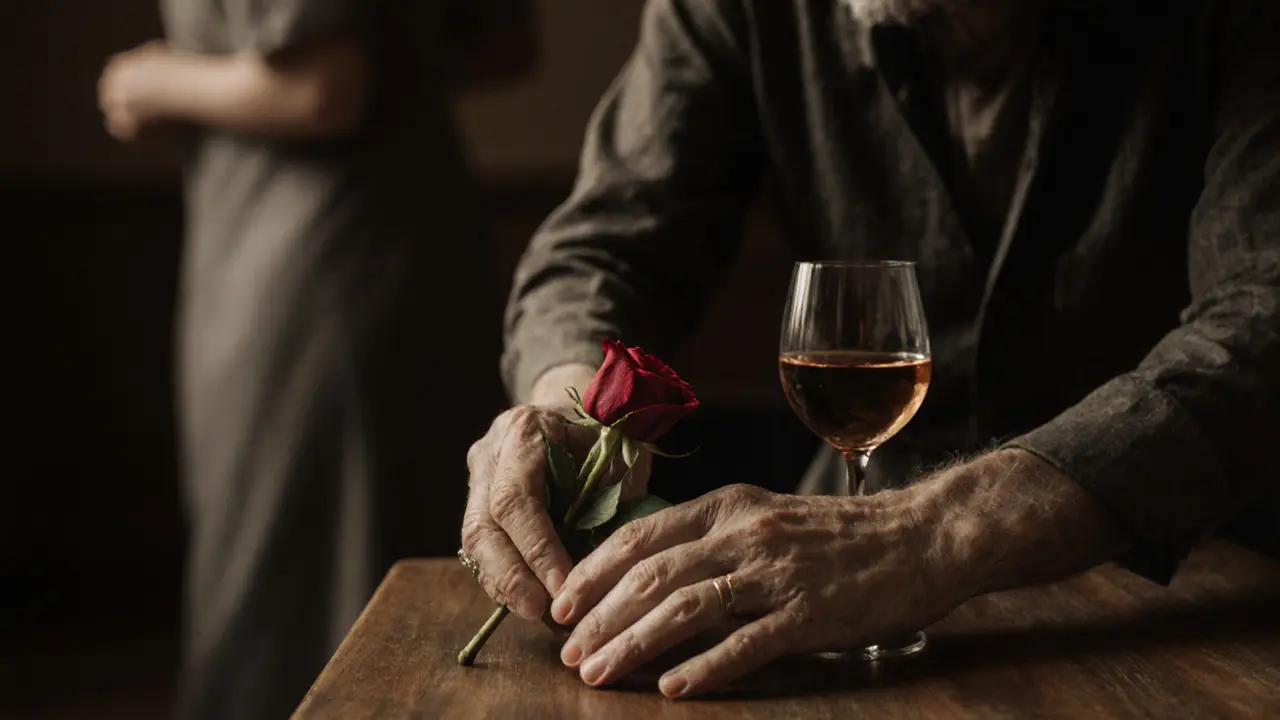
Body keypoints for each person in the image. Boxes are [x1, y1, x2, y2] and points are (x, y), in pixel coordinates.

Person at [461, 0, 1280, 701]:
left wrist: (930, 534)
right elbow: (602, 250)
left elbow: (1262, 319)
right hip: (834, 593)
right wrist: (572, 407)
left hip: (1178, 588)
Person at [97, 2, 532, 718]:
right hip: (402, 241)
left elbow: (323, 89)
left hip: (307, 263)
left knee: (286, 591)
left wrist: (153, 81)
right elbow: (504, 45)